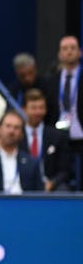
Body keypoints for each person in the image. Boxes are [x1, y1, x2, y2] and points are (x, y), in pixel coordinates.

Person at [44, 35, 83, 188]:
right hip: (58, 135)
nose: (69, 52)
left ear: (79, 52)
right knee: (61, 179)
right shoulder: (51, 80)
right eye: (65, 49)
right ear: (59, 54)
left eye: (73, 48)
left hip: (81, 135)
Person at [20, 88, 72, 192]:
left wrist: (52, 183)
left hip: (50, 186)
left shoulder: (57, 136)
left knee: (63, 190)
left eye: (41, 107)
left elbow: (65, 170)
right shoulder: (17, 135)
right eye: (34, 108)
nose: (38, 112)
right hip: (21, 184)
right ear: (24, 109)